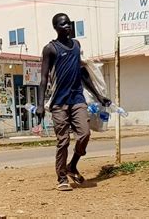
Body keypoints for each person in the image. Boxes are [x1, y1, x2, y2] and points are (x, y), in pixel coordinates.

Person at [36, 13, 111, 191]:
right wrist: (40, 104)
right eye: (63, 24)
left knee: (84, 134)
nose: (67, 26)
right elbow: (44, 79)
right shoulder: (50, 49)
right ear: (55, 27)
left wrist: (99, 96)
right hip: (59, 103)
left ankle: (72, 165)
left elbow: (82, 74)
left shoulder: (76, 45)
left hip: (77, 99)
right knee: (63, 141)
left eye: (69, 23)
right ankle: (62, 177)